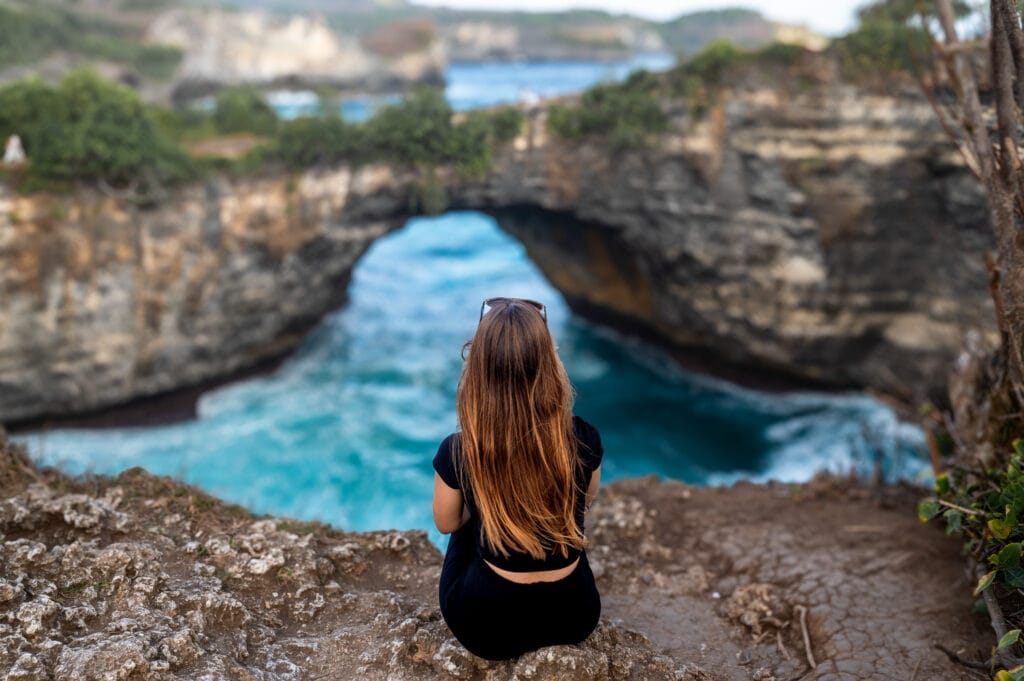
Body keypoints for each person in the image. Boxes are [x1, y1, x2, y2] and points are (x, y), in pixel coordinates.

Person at [432, 296, 603, 660]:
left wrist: (487, 500)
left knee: (471, 510)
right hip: (574, 617)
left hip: (487, 628)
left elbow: (446, 524)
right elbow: (584, 500)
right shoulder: (584, 437)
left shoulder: (460, 449)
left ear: (477, 366)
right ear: (550, 362)